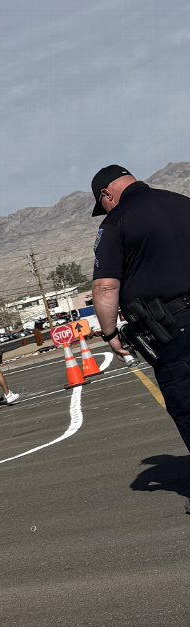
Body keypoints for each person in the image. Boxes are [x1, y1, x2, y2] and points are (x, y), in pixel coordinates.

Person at [90, 164, 190, 451]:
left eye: (103, 204)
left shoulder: (116, 222)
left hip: (172, 330)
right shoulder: (182, 201)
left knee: (186, 406)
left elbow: (105, 286)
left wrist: (111, 334)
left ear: (106, 194)